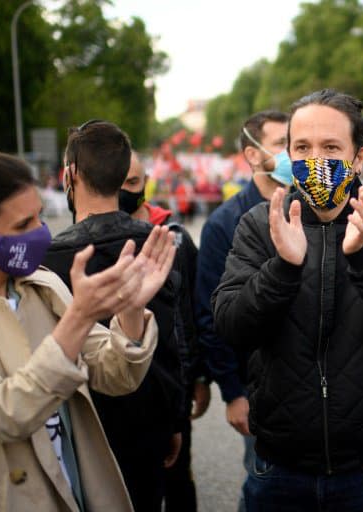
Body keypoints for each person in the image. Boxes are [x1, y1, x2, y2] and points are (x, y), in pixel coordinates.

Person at [213, 89, 363, 511]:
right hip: (280, 465)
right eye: (302, 147)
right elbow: (230, 325)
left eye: (331, 147)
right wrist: (282, 268)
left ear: (358, 158)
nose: (315, 159)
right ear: (287, 154)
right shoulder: (260, 224)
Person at [0, 150, 173, 511]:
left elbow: (115, 376)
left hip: (75, 486)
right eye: (22, 225)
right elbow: (3, 412)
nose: (40, 232)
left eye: (39, 216)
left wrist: (130, 309)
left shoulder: (41, 284)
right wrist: (79, 317)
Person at [43, 121, 185, 512]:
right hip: (147, 419)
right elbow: (173, 341)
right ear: (126, 177)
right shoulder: (156, 244)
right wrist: (174, 419)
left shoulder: (50, 259)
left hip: (80, 424)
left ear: (69, 175)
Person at [195, 109, 290, 511]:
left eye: (297, 144)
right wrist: (233, 393)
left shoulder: (317, 208)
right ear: (253, 156)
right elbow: (209, 315)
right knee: (267, 489)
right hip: (259, 393)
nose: (294, 155)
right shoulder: (223, 224)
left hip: (317, 388)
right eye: (283, 145)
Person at [120, 151, 209, 512]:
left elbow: (195, 312)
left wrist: (200, 377)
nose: (126, 190)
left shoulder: (175, 237)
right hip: (120, 390)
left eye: (133, 182)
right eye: (119, 182)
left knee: (177, 479)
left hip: (173, 386)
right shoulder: (86, 241)